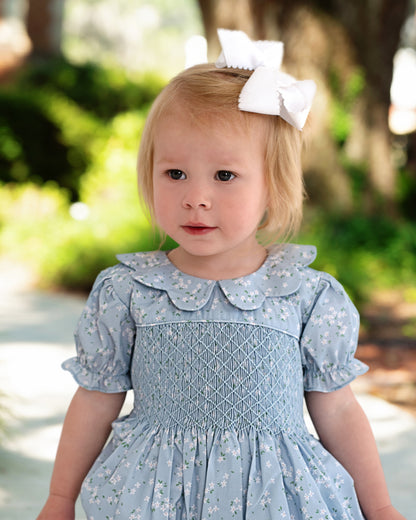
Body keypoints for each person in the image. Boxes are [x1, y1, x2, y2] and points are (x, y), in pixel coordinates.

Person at [37, 29, 406, 520]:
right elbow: (94, 402)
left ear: (273, 186)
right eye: (175, 174)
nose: (196, 197)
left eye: (224, 176)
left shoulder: (304, 296)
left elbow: (336, 410)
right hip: (154, 497)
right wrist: (59, 500)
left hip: (274, 498)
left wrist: (379, 507)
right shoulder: (129, 292)